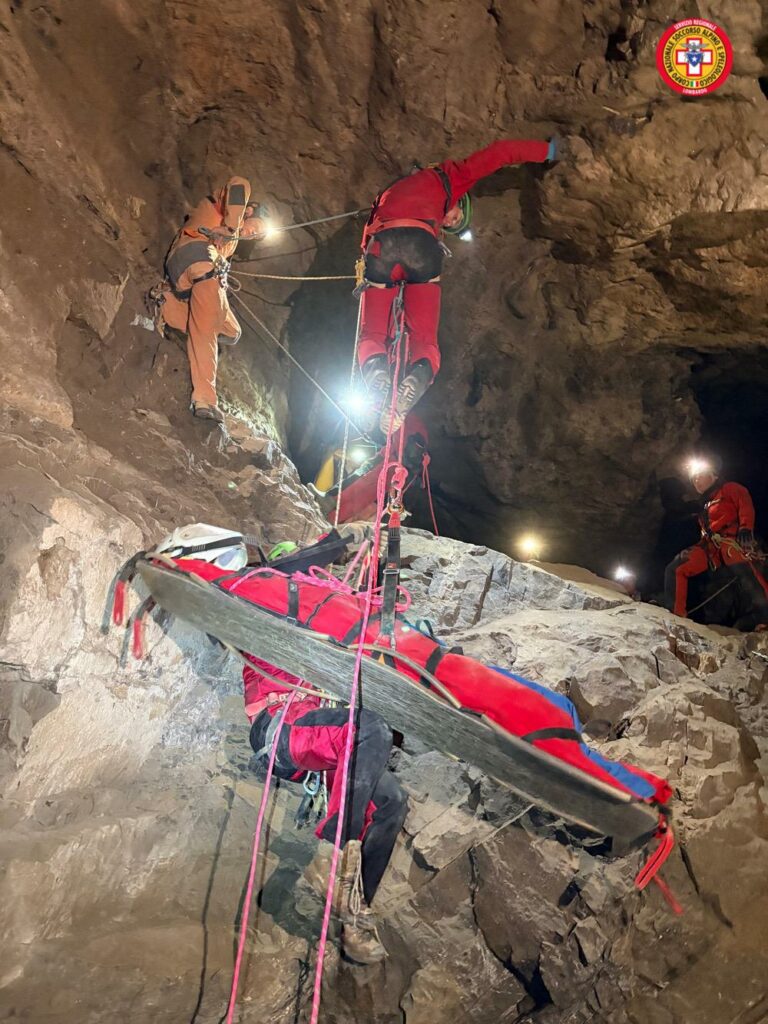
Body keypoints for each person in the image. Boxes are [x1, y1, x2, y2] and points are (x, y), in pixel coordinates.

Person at [357, 137, 556, 431]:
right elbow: (500, 153)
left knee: (373, 332)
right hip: (420, 245)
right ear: (459, 200)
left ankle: (379, 377)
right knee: (424, 339)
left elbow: (369, 233)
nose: (450, 222)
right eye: (456, 217)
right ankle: (415, 377)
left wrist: (370, 266)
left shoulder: (389, 191)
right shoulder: (450, 177)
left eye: (452, 226)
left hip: (382, 247)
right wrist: (549, 150)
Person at [244, 655, 407, 965]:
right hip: (281, 727)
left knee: (392, 802)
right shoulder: (269, 639)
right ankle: (332, 857)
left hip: (319, 742)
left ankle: (352, 912)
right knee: (371, 729)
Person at [155, 177, 267, 422]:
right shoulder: (223, 211)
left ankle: (166, 303)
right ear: (249, 212)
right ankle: (204, 399)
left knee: (231, 331)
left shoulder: (230, 244)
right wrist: (230, 227)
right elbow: (239, 184)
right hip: (196, 256)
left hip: (190, 274)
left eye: (257, 236)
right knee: (206, 327)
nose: (254, 234)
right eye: (256, 227)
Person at [664, 459, 768, 627]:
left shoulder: (729, 488)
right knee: (676, 567)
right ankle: (676, 615)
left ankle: (765, 615)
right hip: (710, 547)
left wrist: (745, 527)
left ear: (714, 476)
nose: (696, 480)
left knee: (745, 573)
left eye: (700, 476)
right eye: (693, 479)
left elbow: (744, 503)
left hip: (731, 541)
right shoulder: (704, 507)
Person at [312, 412, 429, 524]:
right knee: (364, 497)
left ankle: (329, 501)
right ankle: (332, 519)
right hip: (401, 469)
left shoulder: (405, 417)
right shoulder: (417, 427)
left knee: (361, 478)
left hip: (392, 460)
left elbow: (391, 433)